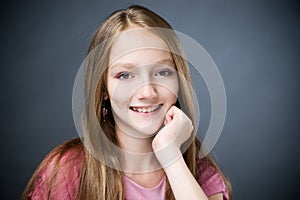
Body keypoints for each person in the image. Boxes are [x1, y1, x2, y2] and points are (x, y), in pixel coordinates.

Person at [23, 5, 231, 200]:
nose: (147, 92)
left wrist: (170, 155)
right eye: (125, 75)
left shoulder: (200, 176)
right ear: (103, 88)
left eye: (162, 72)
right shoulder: (67, 171)